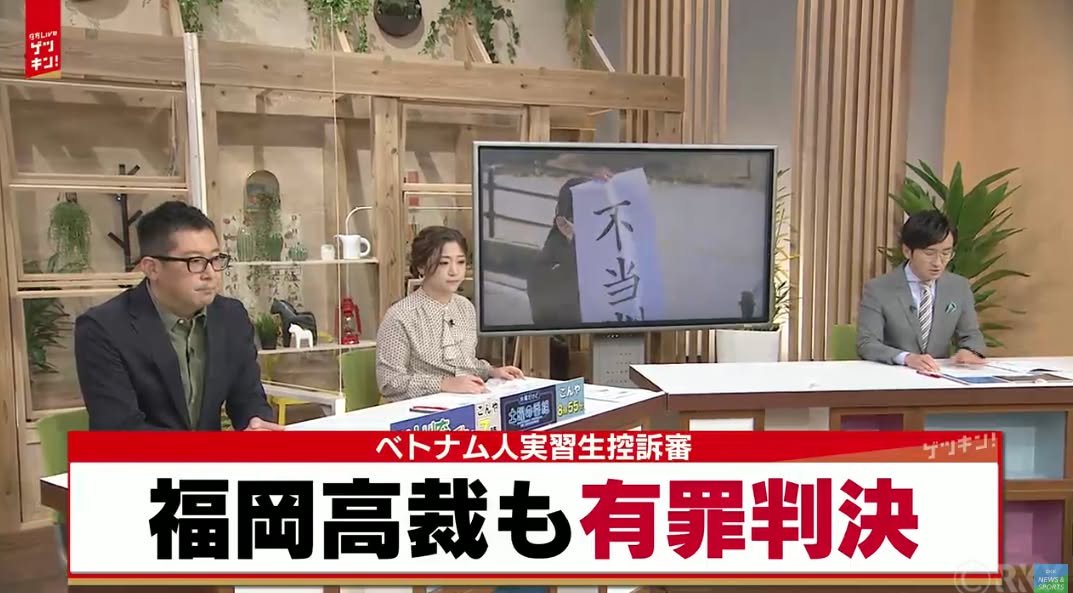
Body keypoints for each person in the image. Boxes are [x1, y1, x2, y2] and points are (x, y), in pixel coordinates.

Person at [74, 201, 281, 431]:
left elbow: (249, 398)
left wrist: (257, 425)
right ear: (152, 268)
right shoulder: (102, 328)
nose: (210, 274)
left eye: (215, 259)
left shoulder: (231, 317)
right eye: (195, 261)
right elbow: (120, 431)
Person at [376, 225, 524, 402]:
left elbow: (465, 363)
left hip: (467, 402)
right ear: (422, 266)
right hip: (421, 411)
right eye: (444, 263)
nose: (454, 271)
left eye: (460, 262)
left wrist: (492, 371)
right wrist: (444, 384)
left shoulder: (465, 307)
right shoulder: (400, 316)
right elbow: (389, 383)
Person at [856, 209, 986, 372]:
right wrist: (906, 358)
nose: (938, 262)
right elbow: (867, 343)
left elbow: (972, 335)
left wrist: (969, 350)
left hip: (939, 376)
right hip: (894, 375)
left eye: (946, 253)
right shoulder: (878, 289)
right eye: (929, 253)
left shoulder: (959, 287)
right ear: (907, 251)